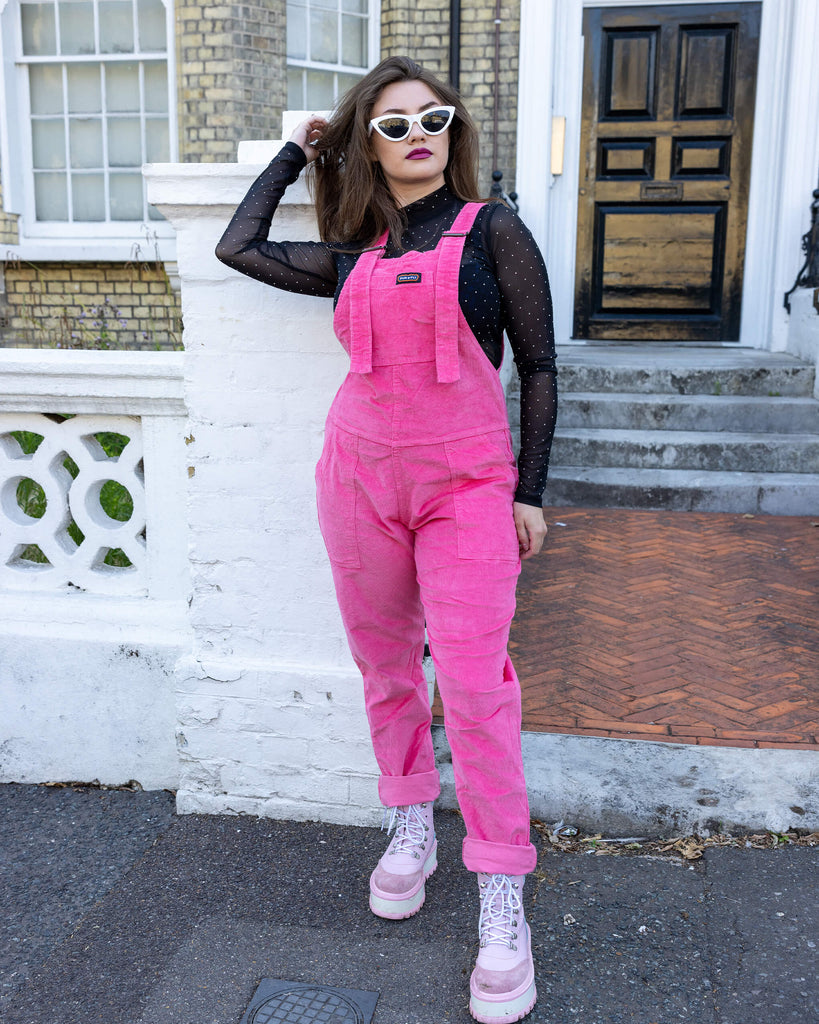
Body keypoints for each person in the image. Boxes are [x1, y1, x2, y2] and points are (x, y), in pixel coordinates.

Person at [216, 55, 557, 1024]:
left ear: (455, 131)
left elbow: (537, 365)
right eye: (394, 123)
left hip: (468, 488)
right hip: (357, 481)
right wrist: (297, 149)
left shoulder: (494, 231)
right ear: (368, 140)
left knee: (478, 681)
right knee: (385, 666)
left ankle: (501, 891)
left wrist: (528, 493)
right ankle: (412, 823)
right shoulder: (348, 251)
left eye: (433, 118)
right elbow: (238, 246)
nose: (417, 136)